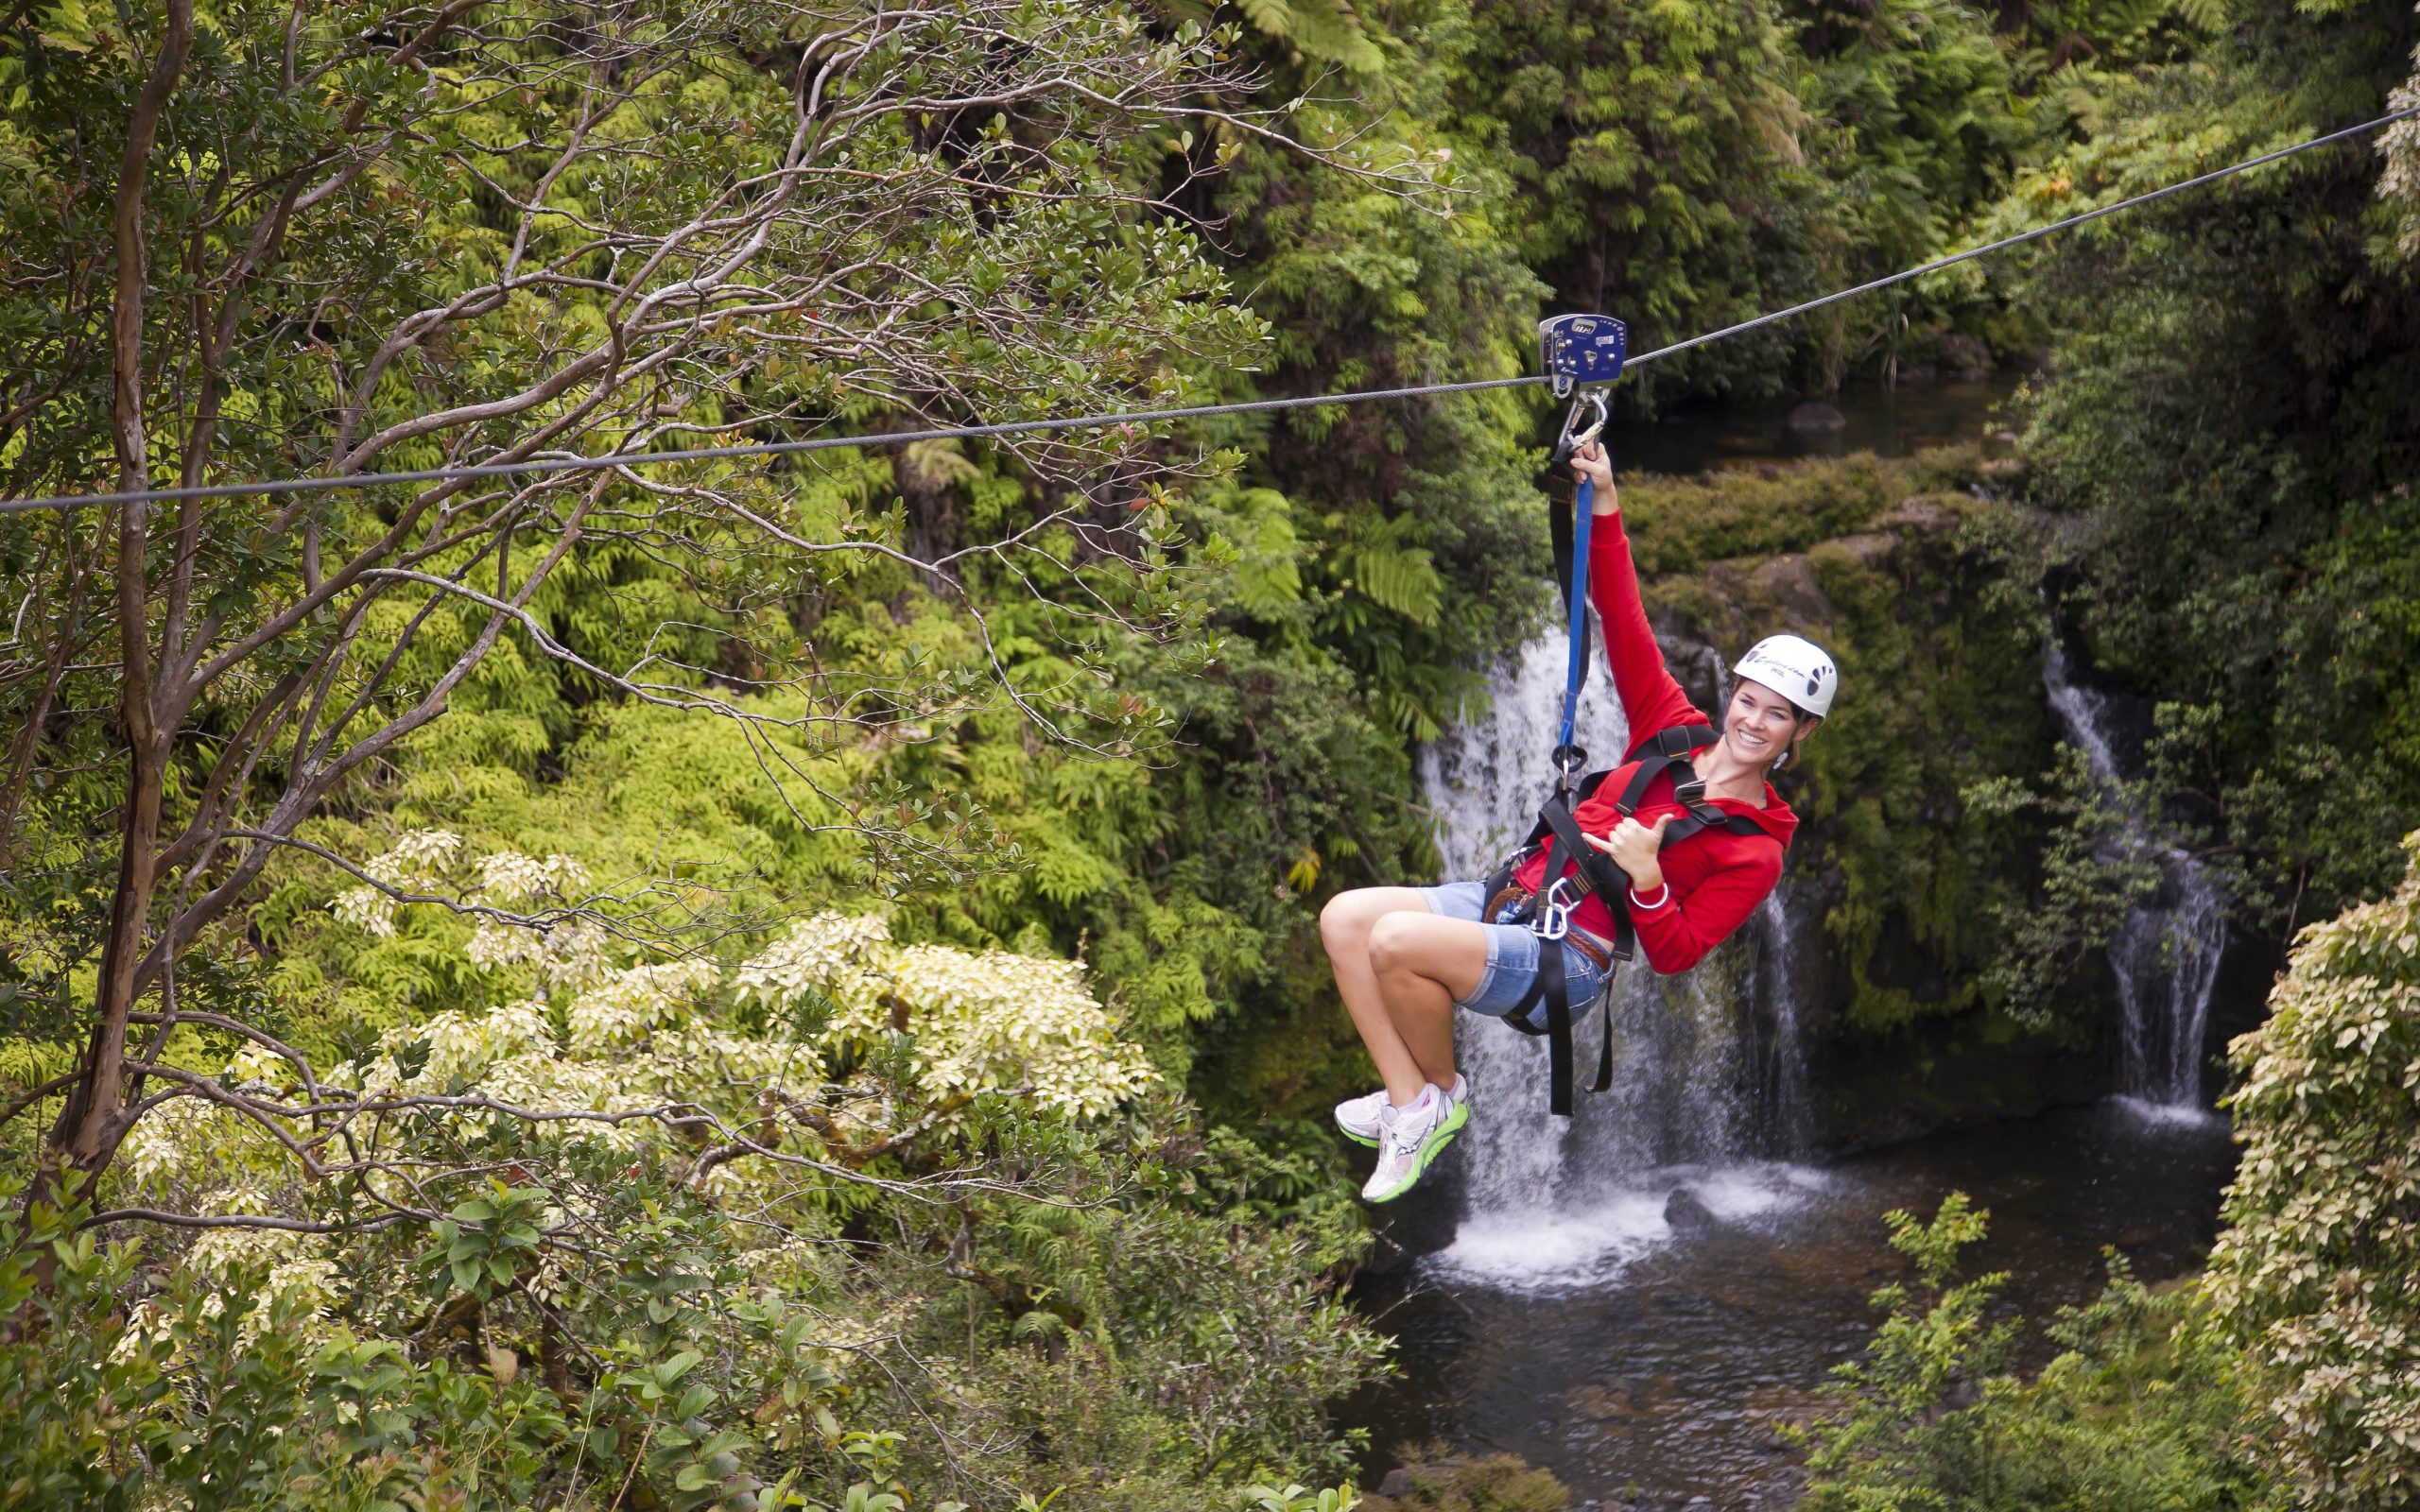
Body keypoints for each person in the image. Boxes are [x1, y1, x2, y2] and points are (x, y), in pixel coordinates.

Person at [1320, 438, 1837, 1202]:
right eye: (1749, 699)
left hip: (1574, 956)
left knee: (1395, 943)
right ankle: (1413, 1102)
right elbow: (1623, 618)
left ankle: (1439, 1101)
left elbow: (1677, 955)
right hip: (1518, 896)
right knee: (1343, 918)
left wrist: (1650, 879)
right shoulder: (1671, 729)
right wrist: (1606, 500)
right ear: (1733, 694)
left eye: (1777, 715)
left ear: (1801, 733)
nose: (1753, 721)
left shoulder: (1754, 851)